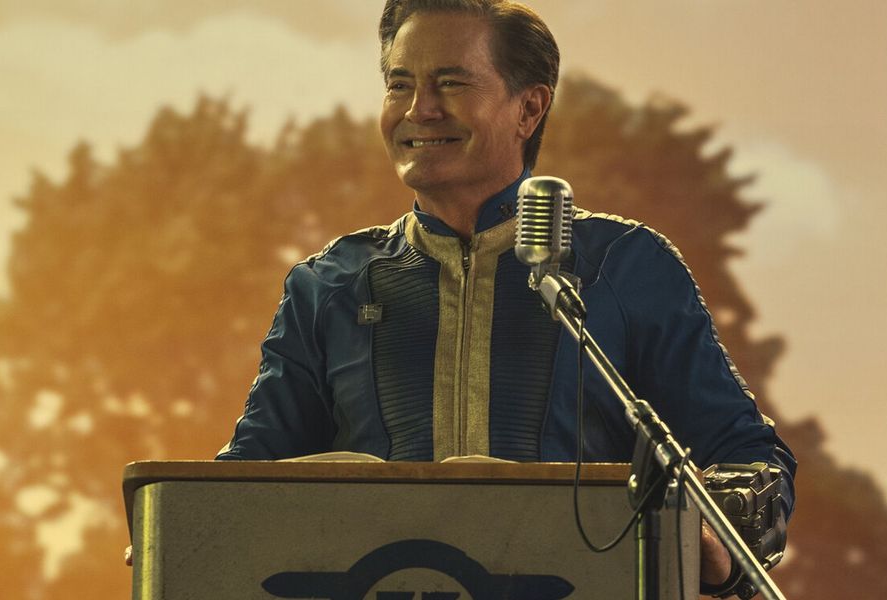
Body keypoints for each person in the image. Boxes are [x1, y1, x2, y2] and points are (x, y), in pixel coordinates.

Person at [211, 0, 796, 593]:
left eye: (451, 83)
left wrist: (714, 543)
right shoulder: (328, 284)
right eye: (400, 85)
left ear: (529, 108)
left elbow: (749, 461)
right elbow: (239, 487)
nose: (419, 109)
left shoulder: (625, 266)